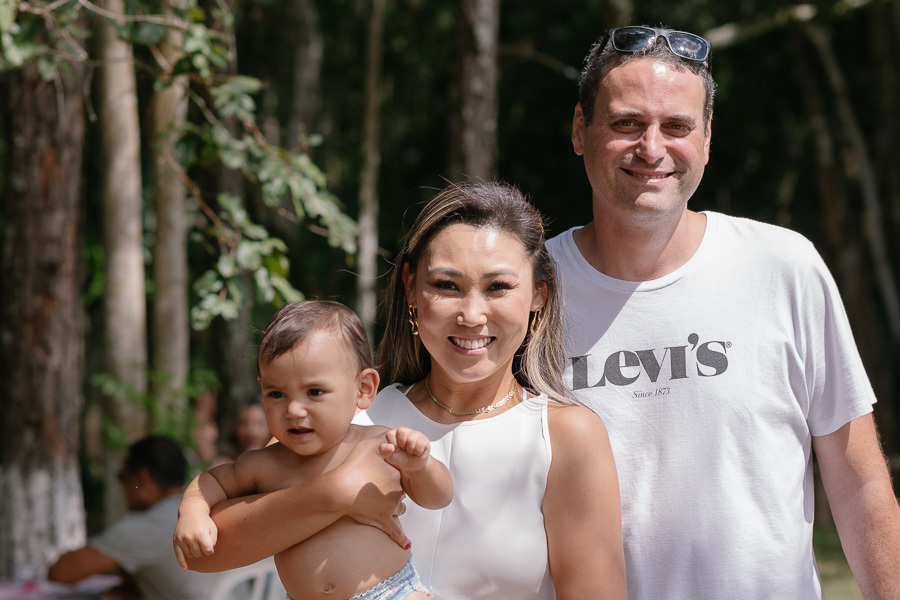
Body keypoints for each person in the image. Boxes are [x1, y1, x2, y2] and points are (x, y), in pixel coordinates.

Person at [545, 25, 900, 600]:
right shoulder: (527, 291)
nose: (652, 149)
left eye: (677, 126)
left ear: (707, 139)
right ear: (581, 130)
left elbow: (859, 485)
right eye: (627, 123)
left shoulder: (782, 266)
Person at [180, 182, 627, 600]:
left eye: (498, 287)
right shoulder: (343, 415)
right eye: (447, 285)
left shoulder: (566, 436)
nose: (471, 315)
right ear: (412, 287)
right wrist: (335, 492)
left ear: (538, 296)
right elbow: (207, 552)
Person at [173, 300, 453, 600]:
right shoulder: (264, 463)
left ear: (364, 389)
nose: (293, 409)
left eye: (314, 392)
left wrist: (421, 467)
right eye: (276, 394)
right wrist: (193, 510)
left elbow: (439, 497)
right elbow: (211, 481)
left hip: (392, 592)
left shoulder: (378, 445)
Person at [48, 435, 224, 600]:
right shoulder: (203, 507)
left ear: (143, 479)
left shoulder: (145, 526)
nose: (123, 488)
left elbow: (60, 573)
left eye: (122, 477)